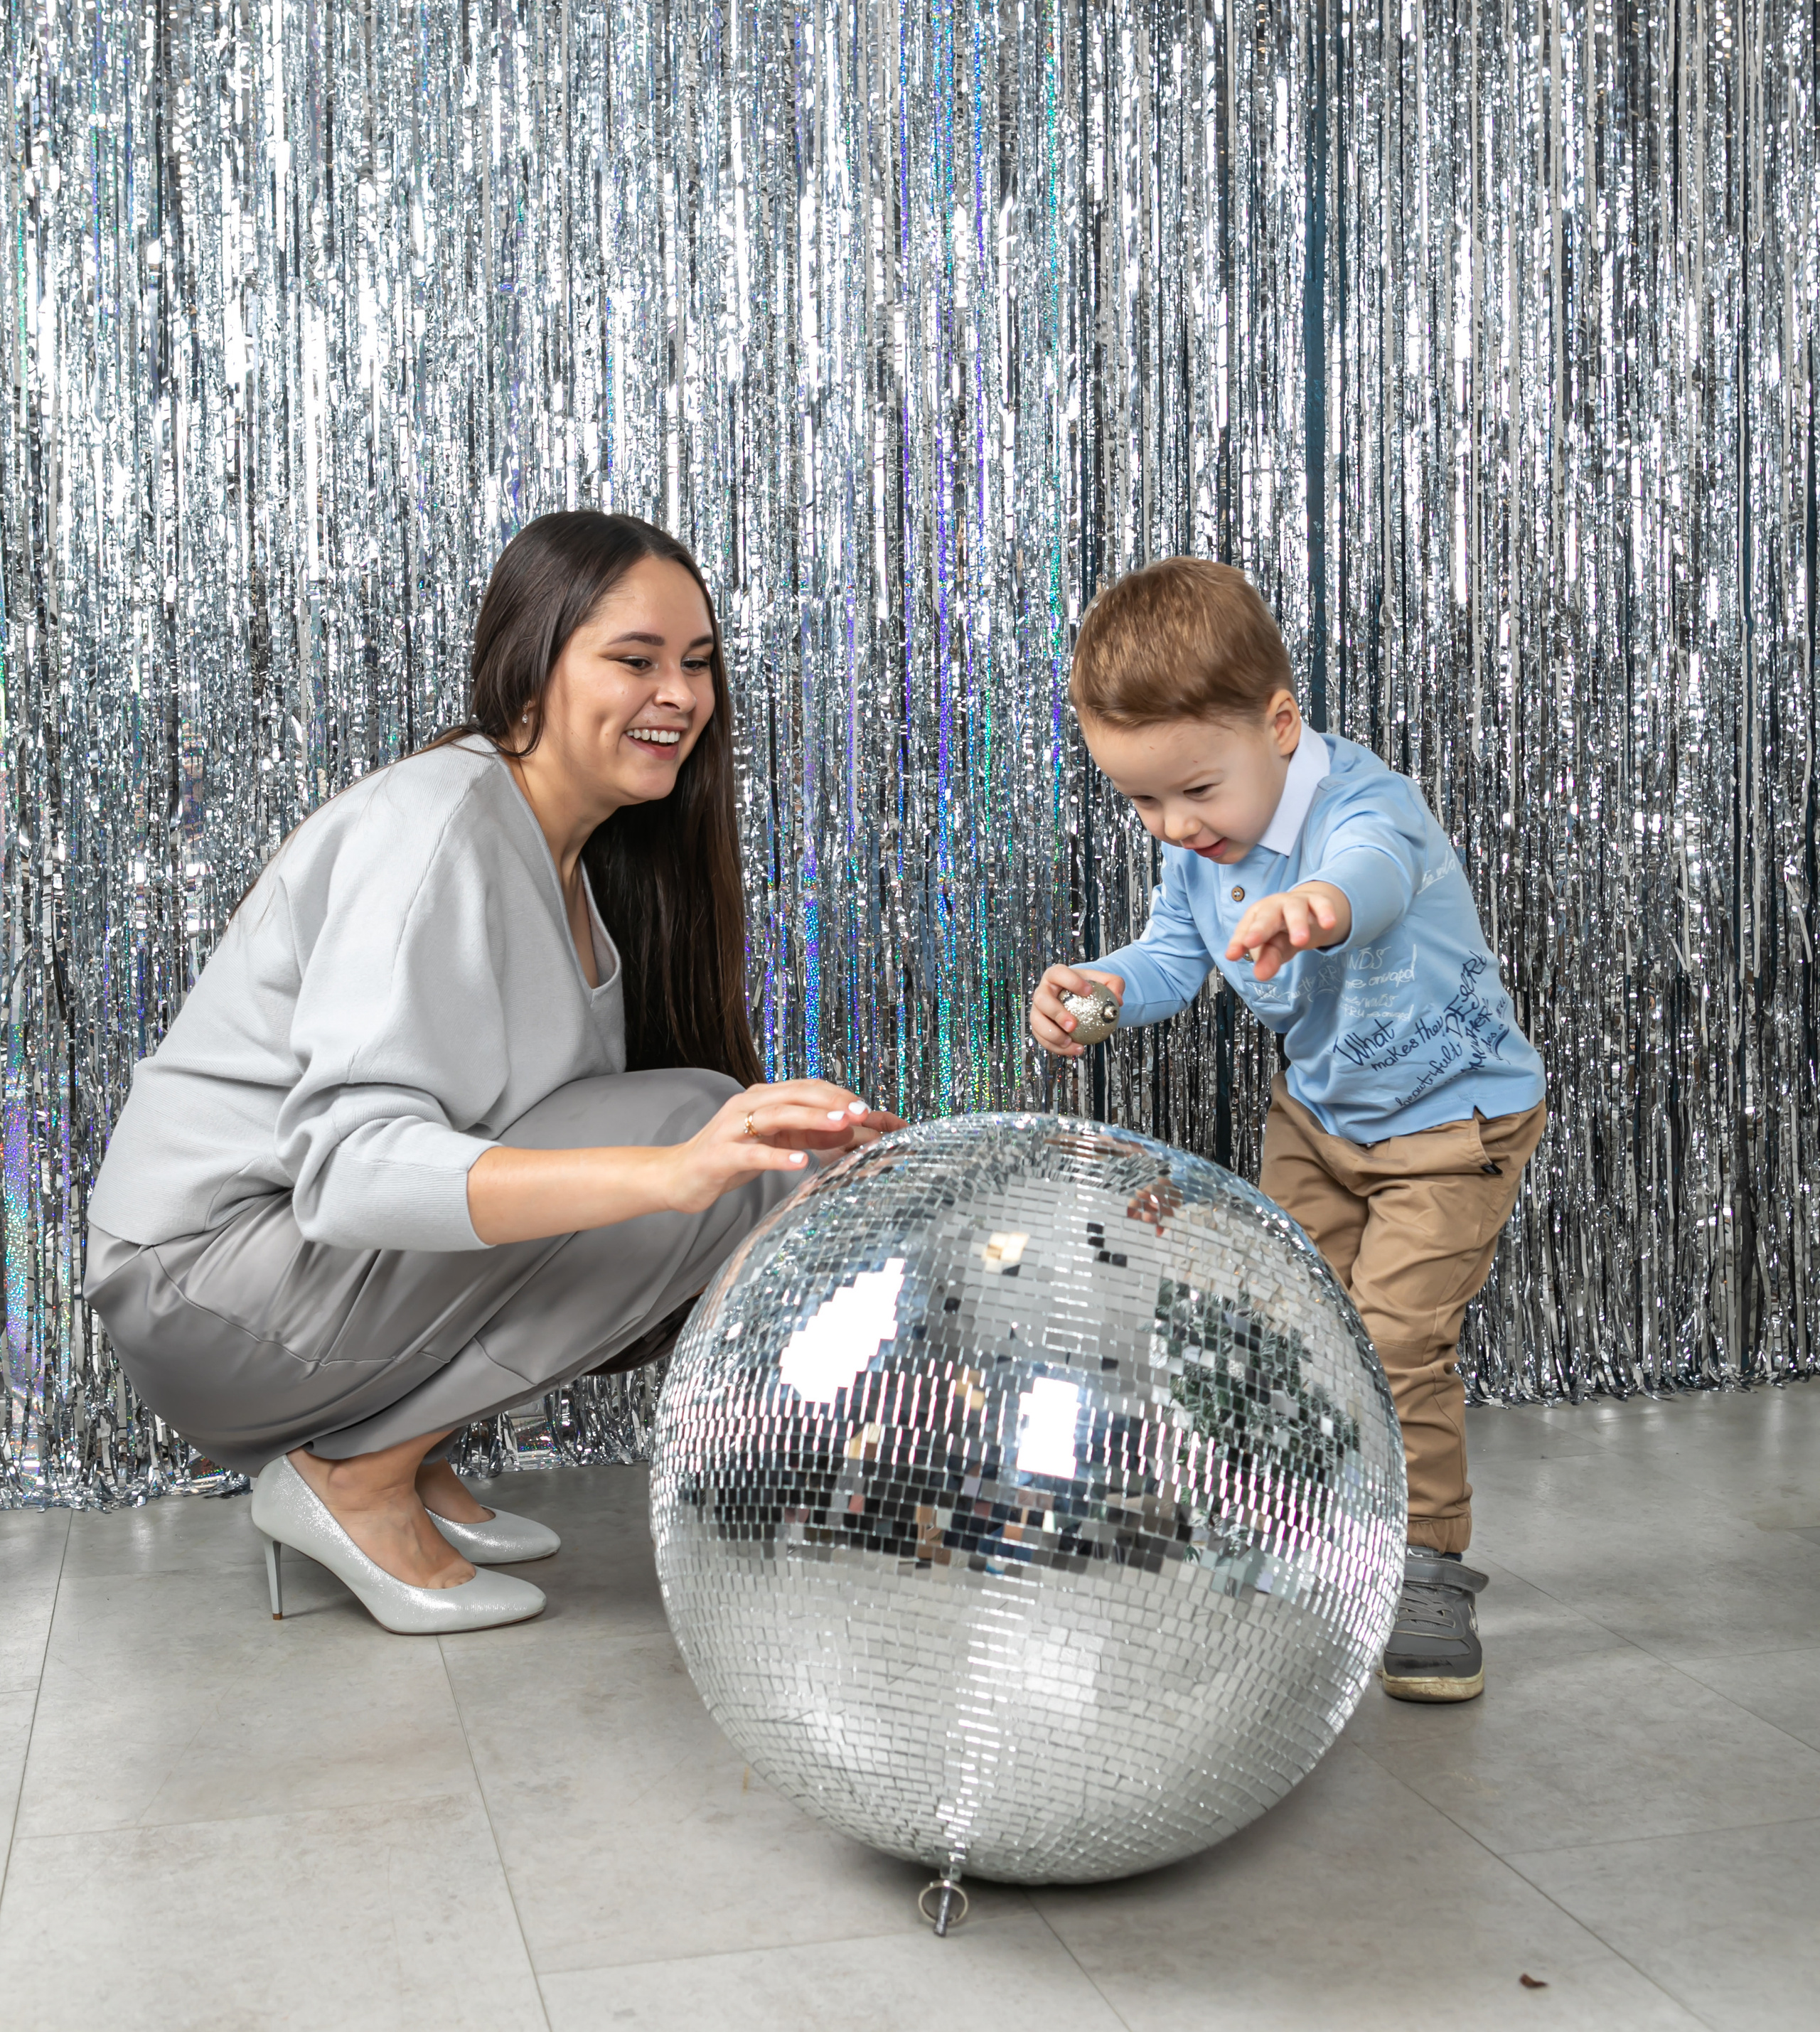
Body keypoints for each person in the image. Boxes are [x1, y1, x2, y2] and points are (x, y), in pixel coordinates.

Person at [87, 511, 899, 1635]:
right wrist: (673, 1176)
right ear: (528, 673)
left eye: (697, 664)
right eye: (634, 660)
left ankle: (406, 1462)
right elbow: (351, 1176)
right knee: (690, 1134)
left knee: (714, 1125)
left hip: (278, 1282)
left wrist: (751, 1153)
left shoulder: (573, 856)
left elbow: (514, 1125)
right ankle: (357, 1477)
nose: (680, 696)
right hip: (201, 1291)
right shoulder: (434, 833)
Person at [1029, 557, 1545, 1701]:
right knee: (1291, 1327)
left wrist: (1316, 907)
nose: (1175, 826)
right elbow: (1175, 956)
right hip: (1320, 1120)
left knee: (1398, 1341)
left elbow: (1375, 878)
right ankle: (1311, 1531)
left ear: (1280, 724)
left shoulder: (1370, 807)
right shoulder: (1195, 849)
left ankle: (1426, 1567)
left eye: (1195, 792)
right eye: (1143, 803)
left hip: (1452, 1124)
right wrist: (1101, 990)